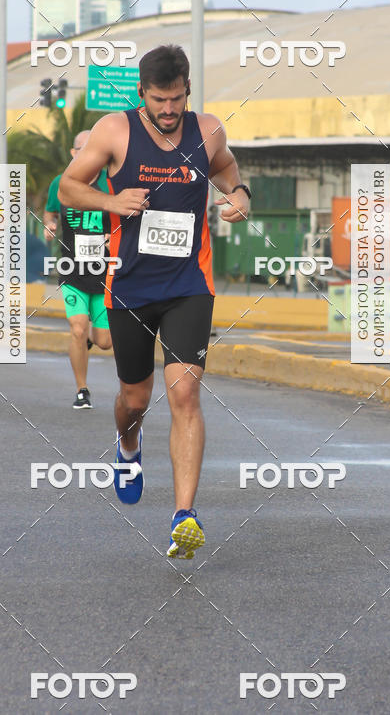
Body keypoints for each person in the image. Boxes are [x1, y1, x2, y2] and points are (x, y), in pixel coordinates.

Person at [59, 44, 250, 559]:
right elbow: (67, 188)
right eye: (159, 101)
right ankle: (127, 446)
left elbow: (228, 168)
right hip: (130, 288)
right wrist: (109, 200)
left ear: (188, 89)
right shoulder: (113, 131)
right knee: (136, 399)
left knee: (185, 393)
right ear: (141, 93)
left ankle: (183, 515)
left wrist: (240, 194)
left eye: (177, 99)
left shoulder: (206, 129)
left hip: (189, 283)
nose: (169, 110)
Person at [44, 131, 112, 409]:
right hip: (72, 268)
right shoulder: (60, 183)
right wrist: (49, 225)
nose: (87, 155)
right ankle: (82, 389)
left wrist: (116, 236)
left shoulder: (111, 182)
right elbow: (51, 212)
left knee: (105, 342)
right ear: (73, 154)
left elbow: (130, 214)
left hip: (106, 271)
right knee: (77, 327)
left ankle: (85, 343)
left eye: (92, 149)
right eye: (81, 150)